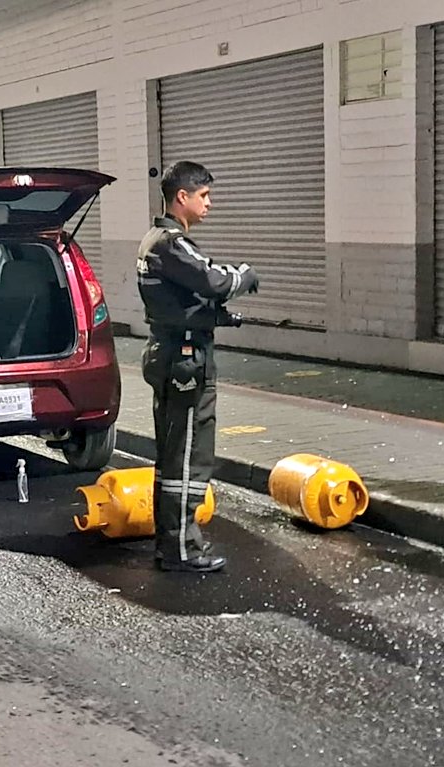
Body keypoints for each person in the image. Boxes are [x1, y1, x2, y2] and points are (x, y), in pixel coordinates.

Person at [136, 161, 259, 572]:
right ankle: (182, 549)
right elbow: (212, 280)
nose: (209, 203)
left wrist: (217, 317)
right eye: (203, 196)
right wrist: (244, 275)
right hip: (184, 360)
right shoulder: (171, 243)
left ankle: (171, 544)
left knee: (174, 454)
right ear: (182, 196)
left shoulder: (155, 241)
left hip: (170, 352)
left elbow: (181, 300)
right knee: (189, 457)